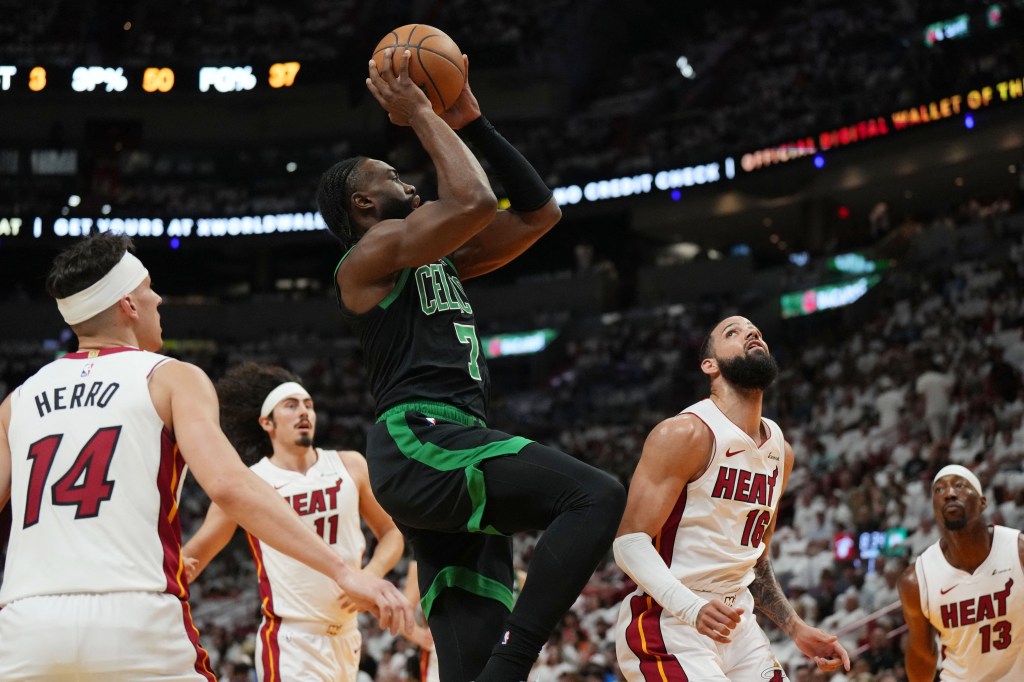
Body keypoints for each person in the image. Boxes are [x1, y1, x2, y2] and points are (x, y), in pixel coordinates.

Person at [316, 48, 626, 682]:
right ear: (363, 207)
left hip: (452, 449)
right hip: (421, 441)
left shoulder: (439, 259)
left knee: (468, 659)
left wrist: (475, 125)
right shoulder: (368, 257)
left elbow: (540, 213)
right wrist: (424, 115)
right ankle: (515, 665)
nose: (404, 174)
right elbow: (474, 201)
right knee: (594, 496)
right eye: (386, 173)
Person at [0, 233, 413, 681]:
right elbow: (229, 486)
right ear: (129, 306)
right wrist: (343, 571)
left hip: (26, 624)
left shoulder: (17, 401)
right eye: (149, 289)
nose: (158, 298)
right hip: (133, 613)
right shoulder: (170, 377)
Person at [613, 315, 850, 681]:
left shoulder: (780, 451)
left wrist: (796, 628)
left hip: (739, 625)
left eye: (756, 330)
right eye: (733, 332)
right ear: (710, 365)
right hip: (669, 623)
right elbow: (628, 543)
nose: (752, 333)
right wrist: (691, 608)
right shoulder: (685, 433)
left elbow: (755, 560)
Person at [182, 362, 405, 681]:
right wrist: (165, 582)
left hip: (348, 636)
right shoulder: (250, 482)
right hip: (292, 640)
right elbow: (200, 547)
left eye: (309, 405)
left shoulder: (350, 465)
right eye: (291, 406)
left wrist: (371, 575)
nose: (304, 412)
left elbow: (392, 533)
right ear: (266, 422)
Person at [897, 464, 1024, 681]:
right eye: (939, 490)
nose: (949, 493)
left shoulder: (1019, 552)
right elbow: (922, 656)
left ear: (983, 502)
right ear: (935, 508)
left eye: (959, 485)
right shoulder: (917, 580)